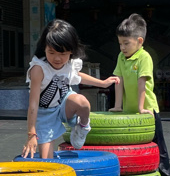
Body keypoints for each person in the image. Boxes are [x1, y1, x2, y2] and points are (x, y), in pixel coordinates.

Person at [22, 19, 119, 159]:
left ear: (71, 51)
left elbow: (77, 75)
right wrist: (32, 134)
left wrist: (103, 83)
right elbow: (33, 104)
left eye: (62, 54)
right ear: (44, 48)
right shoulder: (39, 69)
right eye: (51, 52)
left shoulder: (70, 63)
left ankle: (82, 127)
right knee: (46, 159)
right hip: (45, 112)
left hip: (63, 104)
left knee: (82, 102)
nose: (57, 59)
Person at [110, 13, 170, 176]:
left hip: (148, 110)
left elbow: (142, 84)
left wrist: (141, 108)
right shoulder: (121, 57)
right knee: (134, 146)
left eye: (126, 43)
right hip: (129, 111)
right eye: (120, 43)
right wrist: (118, 105)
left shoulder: (144, 57)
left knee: (157, 144)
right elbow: (118, 81)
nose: (122, 47)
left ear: (139, 41)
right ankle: (143, 175)